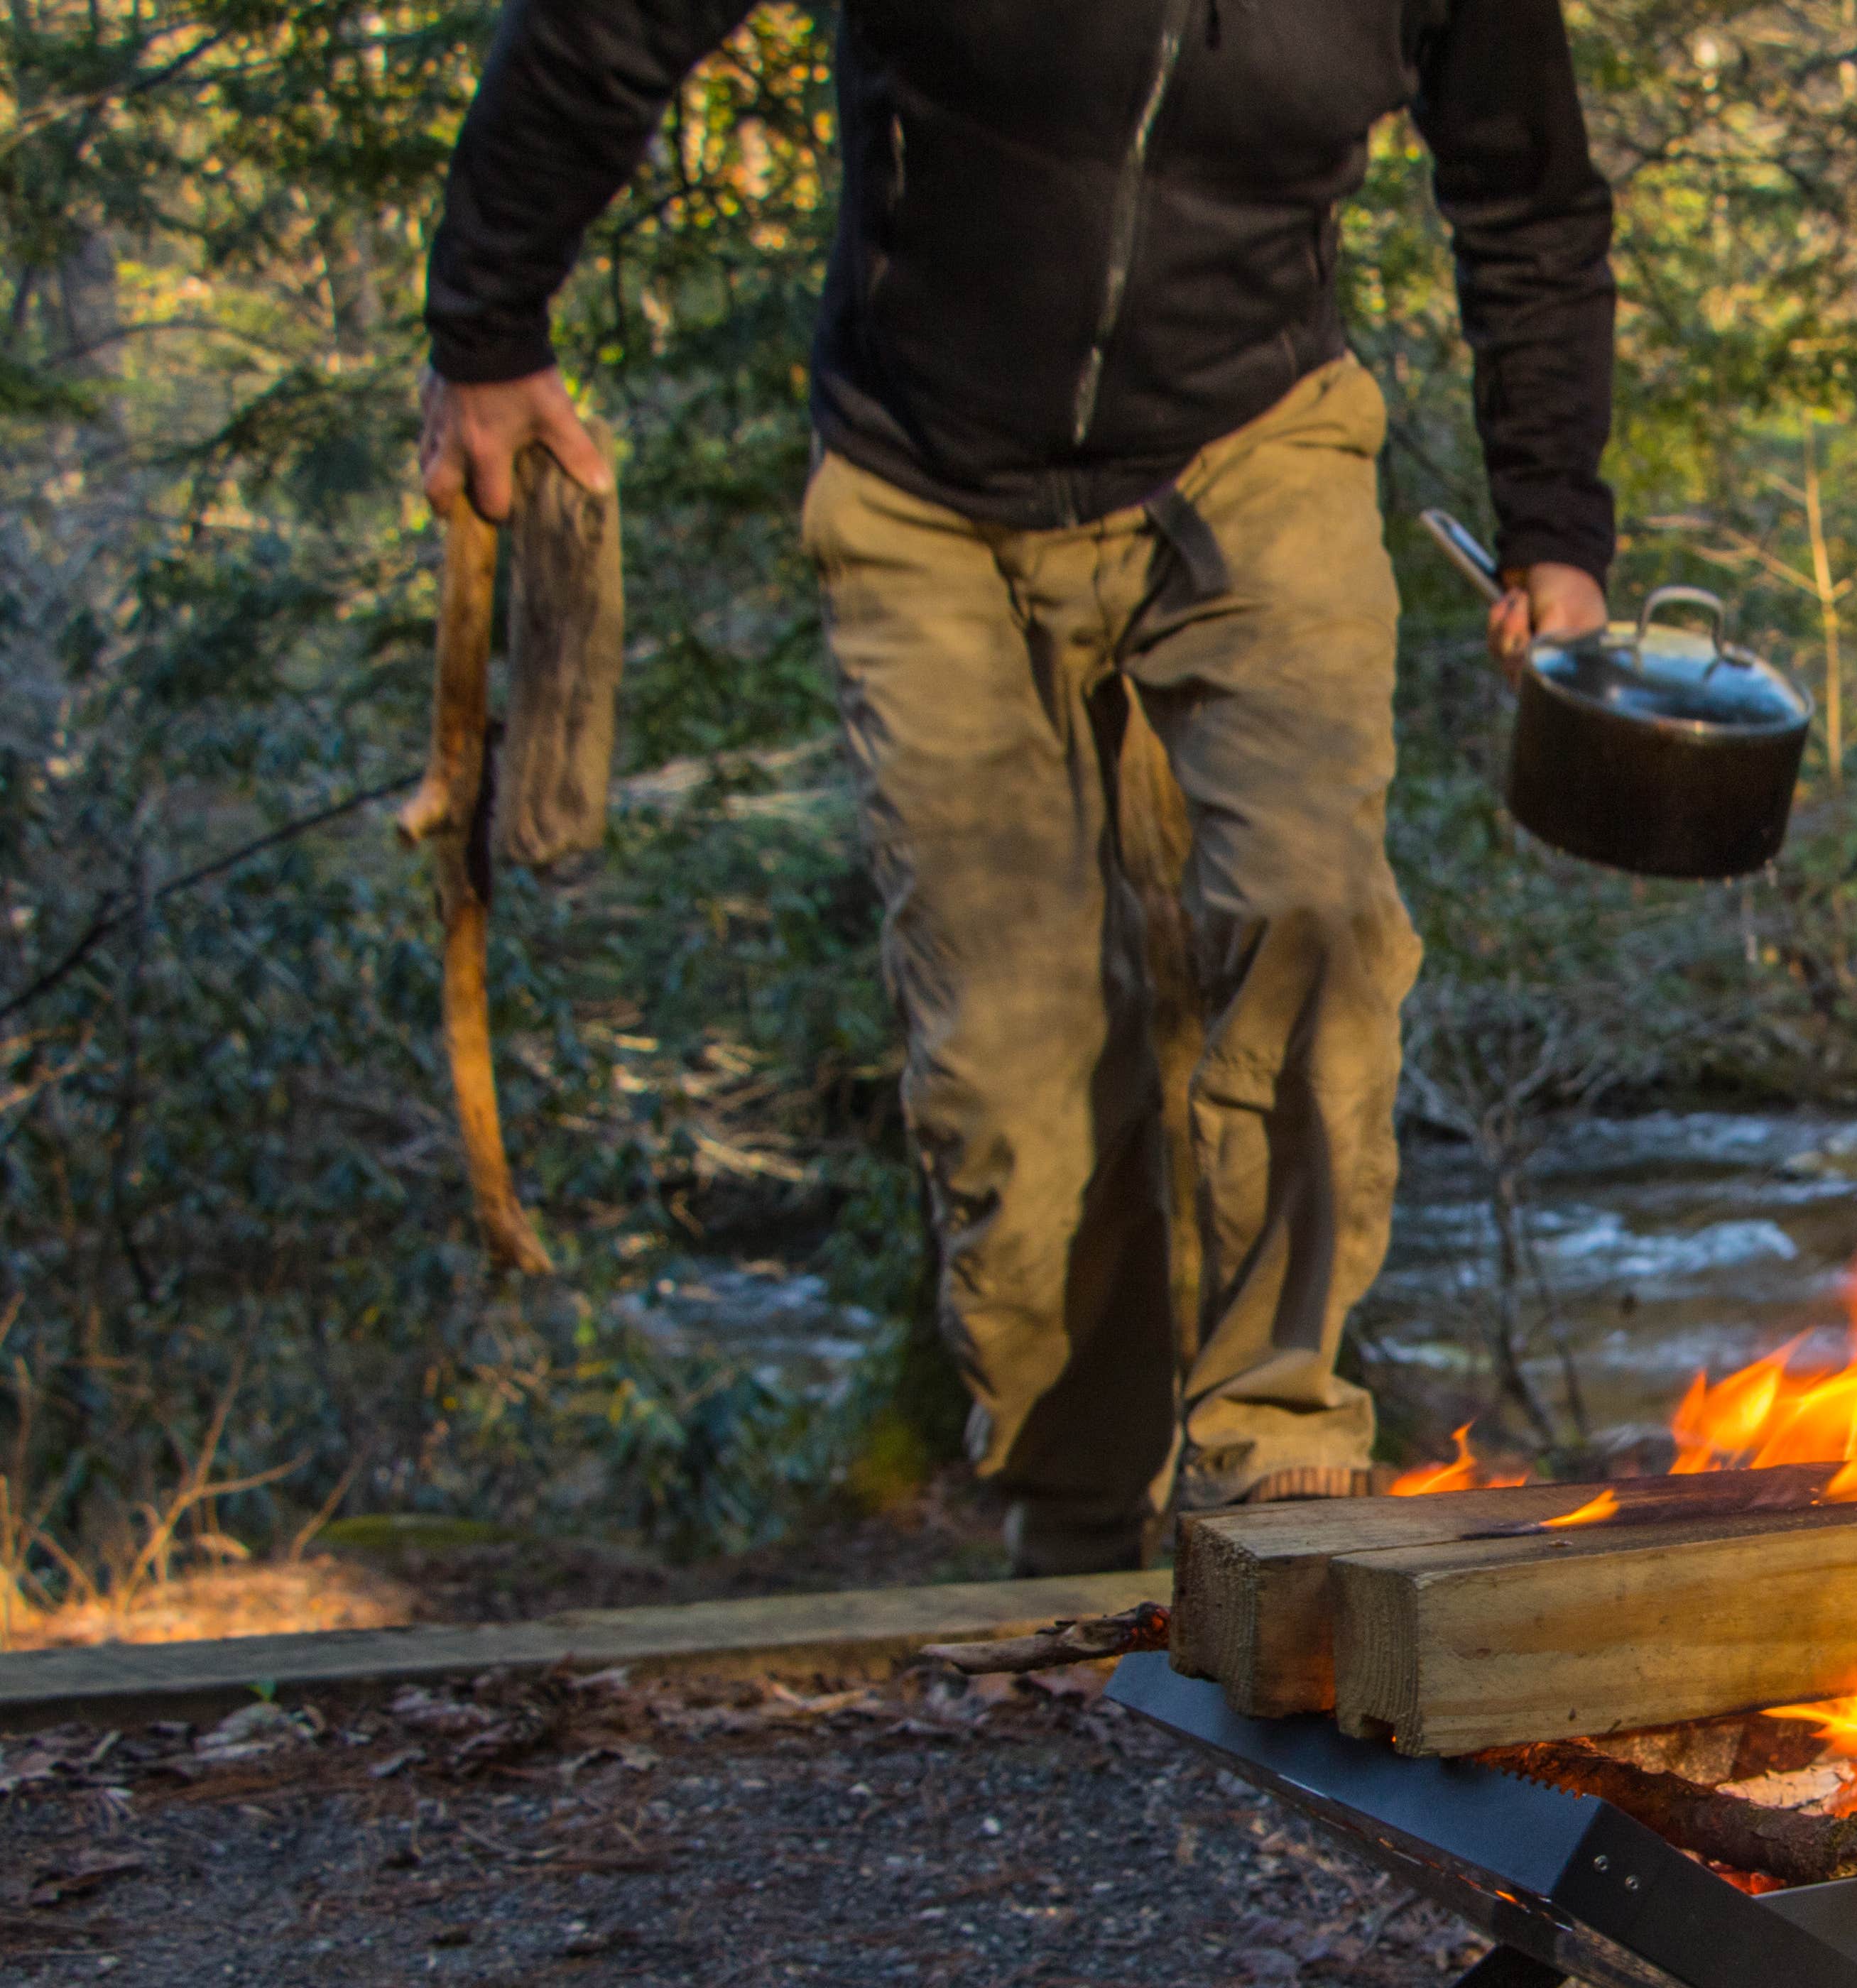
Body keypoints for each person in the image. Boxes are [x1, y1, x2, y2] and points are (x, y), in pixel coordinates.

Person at [417, 0, 1616, 1575]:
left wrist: (1555, 530)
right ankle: (1077, 1530)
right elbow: (607, 26)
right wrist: (489, 333)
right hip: (926, 480)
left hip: (1250, 443)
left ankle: (1278, 1474)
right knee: (1011, 1063)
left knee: (1313, 913)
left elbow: (1525, 198)